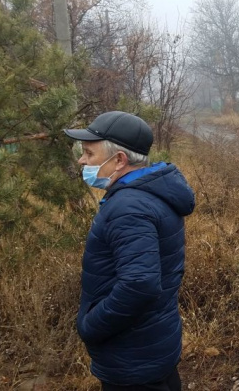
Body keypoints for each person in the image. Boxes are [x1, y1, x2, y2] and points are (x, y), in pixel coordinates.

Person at [64, 111, 195, 390]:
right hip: (152, 345)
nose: (82, 160)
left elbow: (140, 283)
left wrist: (90, 327)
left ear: (119, 159)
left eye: (89, 153)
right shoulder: (151, 193)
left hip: (132, 357)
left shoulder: (129, 207)